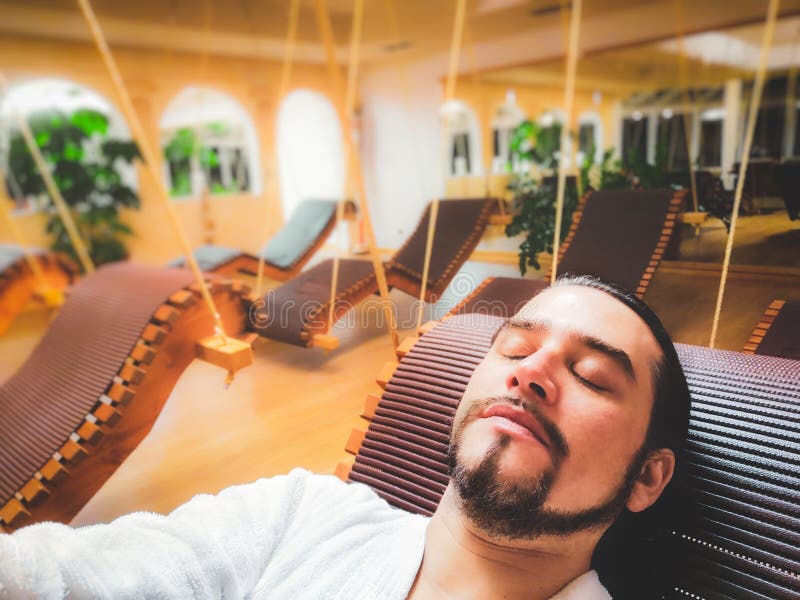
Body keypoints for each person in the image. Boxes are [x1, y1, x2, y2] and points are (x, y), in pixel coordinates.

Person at [0, 275, 690, 599]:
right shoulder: (300, 515)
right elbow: (63, 581)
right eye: (512, 348)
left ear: (648, 478)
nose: (531, 371)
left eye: (594, 376)